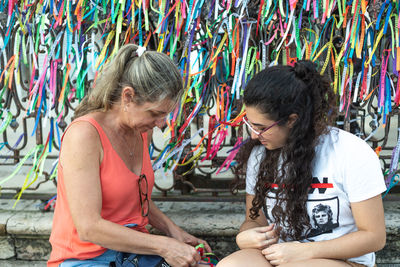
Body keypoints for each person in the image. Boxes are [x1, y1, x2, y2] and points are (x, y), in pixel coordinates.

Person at [48, 44, 211, 267]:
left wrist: (173, 231)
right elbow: (88, 227)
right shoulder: (84, 135)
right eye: (156, 113)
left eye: (165, 114)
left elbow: (134, 198)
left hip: (132, 252)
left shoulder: (138, 129)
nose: (162, 123)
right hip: (85, 258)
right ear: (128, 96)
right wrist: (165, 246)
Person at [217, 61, 386, 267]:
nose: (254, 135)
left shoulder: (351, 152)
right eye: (250, 125)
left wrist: (306, 252)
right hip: (280, 256)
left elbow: (374, 236)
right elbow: (255, 220)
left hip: (343, 261)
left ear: (292, 120)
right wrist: (245, 235)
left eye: (261, 127)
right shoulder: (261, 154)